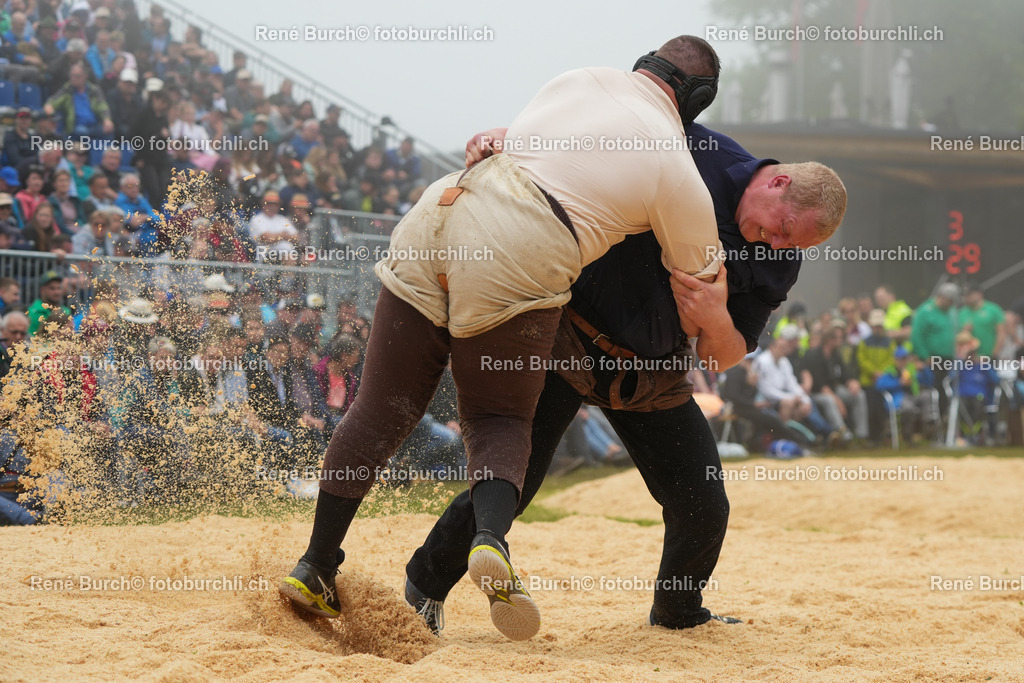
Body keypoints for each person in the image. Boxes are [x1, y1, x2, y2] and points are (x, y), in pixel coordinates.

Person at [279, 35, 730, 639]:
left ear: (645, 67)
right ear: (696, 100)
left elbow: (511, 143)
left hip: (444, 202)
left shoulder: (577, 76)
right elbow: (697, 280)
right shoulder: (674, 160)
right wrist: (721, 300)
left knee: (382, 408)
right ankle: (491, 541)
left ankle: (315, 564)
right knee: (497, 418)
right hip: (521, 237)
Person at [404, 108, 845, 636]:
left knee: (703, 501)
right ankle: (424, 588)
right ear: (777, 183)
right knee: (515, 478)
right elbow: (590, 127)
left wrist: (715, 317)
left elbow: (724, 355)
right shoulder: (690, 147)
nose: (777, 246)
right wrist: (514, 138)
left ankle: (678, 613)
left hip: (652, 373)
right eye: (783, 231)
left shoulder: (779, 259)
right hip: (571, 339)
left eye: (792, 247)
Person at [26, 270, 71, 337]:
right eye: (52, 288)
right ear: (42, 290)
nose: (57, 292)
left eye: (59, 288)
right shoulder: (33, 312)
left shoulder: (66, 311)